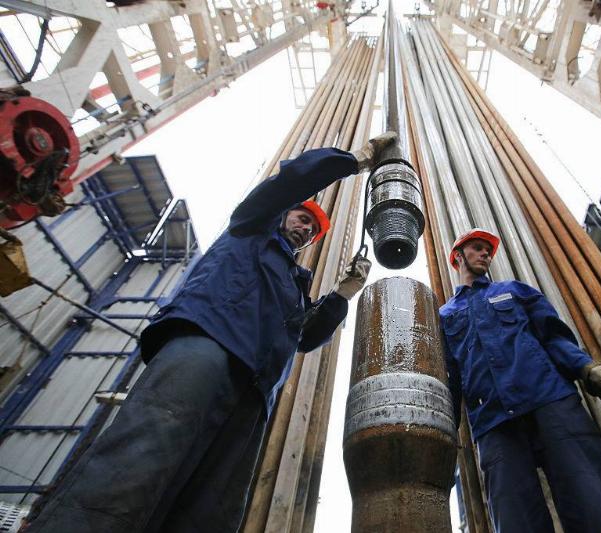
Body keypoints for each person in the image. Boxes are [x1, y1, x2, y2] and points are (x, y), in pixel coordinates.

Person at [26, 133, 398, 533]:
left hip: (255, 390)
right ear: (283, 214)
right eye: (302, 218)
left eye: (313, 229)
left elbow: (304, 337)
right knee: (140, 458)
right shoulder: (250, 229)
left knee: (211, 507)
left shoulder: (294, 285)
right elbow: (288, 182)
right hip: (207, 346)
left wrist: (341, 295)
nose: (306, 229)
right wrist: (353, 161)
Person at [439, 228, 601, 533]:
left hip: (550, 402)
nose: (485, 254)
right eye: (477, 248)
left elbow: (553, 336)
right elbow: (450, 379)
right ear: (458, 256)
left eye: (487, 251)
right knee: (515, 520)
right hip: (493, 422)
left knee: (593, 505)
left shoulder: (515, 290)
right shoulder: (445, 315)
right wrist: (446, 431)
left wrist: (586, 369)